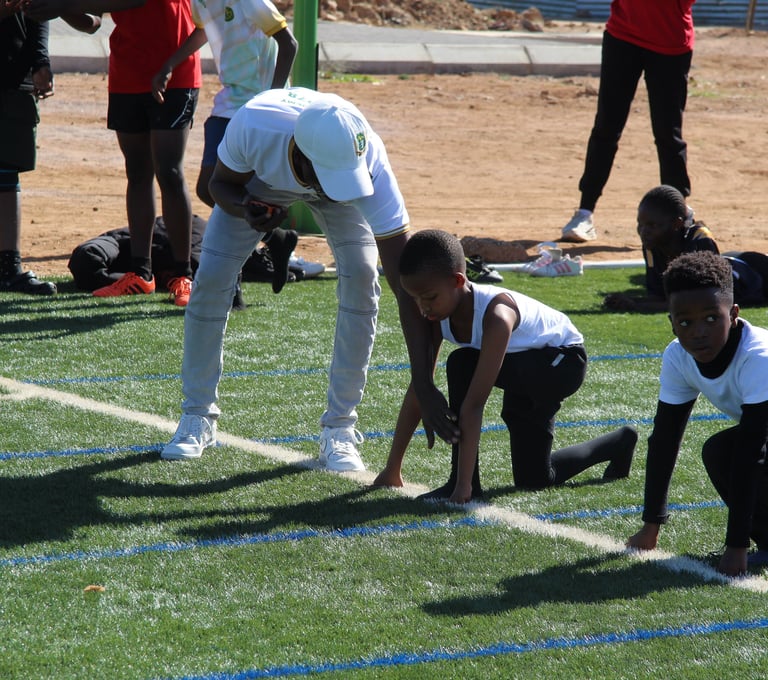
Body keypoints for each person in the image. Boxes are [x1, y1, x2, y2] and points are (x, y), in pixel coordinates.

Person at [161, 87, 443, 471]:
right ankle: (197, 416)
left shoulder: (368, 155)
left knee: (363, 276)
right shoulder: (256, 125)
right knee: (210, 278)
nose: (336, 184)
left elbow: (405, 284)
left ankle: (340, 427)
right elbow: (217, 186)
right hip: (263, 180)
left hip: (325, 171)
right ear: (302, 157)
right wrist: (247, 209)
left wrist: (423, 384)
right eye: (331, 176)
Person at [372, 229, 638, 503]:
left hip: (562, 364)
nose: (422, 308)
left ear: (458, 280)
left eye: (428, 297)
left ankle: (465, 482)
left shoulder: (497, 316)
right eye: (414, 299)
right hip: (524, 362)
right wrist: (392, 469)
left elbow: (474, 404)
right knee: (534, 478)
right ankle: (619, 442)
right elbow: (421, 385)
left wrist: (463, 488)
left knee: (461, 363)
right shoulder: (436, 311)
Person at [26, 0, 203, 307]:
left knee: (169, 171)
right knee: (137, 172)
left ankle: (183, 274)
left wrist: (62, 3)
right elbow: (92, 21)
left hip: (174, 71)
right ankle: (141, 273)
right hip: (127, 72)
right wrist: (58, 10)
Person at [626, 250, 768, 576]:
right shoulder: (678, 357)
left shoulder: (758, 356)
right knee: (719, 451)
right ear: (672, 323)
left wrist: (736, 549)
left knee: (740, 453)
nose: (697, 332)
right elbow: (664, 439)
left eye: (710, 318)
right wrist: (651, 527)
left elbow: (752, 453)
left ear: (733, 313)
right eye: (685, 322)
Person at [151, 0, 299, 294]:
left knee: (227, 189)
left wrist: (272, 98)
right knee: (209, 189)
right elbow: (203, 31)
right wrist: (170, 63)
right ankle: (275, 238)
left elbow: (289, 43)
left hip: (257, 108)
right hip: (228, 105)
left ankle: (235, 286)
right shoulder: (201, 2)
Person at [559, 0, 696, 244]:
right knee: (606, 127)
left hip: (670, 43)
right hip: (623, 37)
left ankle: (679, 214)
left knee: (668, 133)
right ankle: (584, 213)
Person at [0, 2, 99, 294]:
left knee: (7, 172)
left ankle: (8, 268)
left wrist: (40, 62)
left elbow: (40, 12)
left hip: (12, 73)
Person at [604, 185, 768, 311]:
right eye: (640, 224)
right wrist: (629, 300)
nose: (643, 231)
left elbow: (700, 301)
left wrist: (636, 306)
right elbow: (659, 296)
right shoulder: (651, 243)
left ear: (677, 223)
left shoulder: (700, 239)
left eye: (652, 225)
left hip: (757, 274)